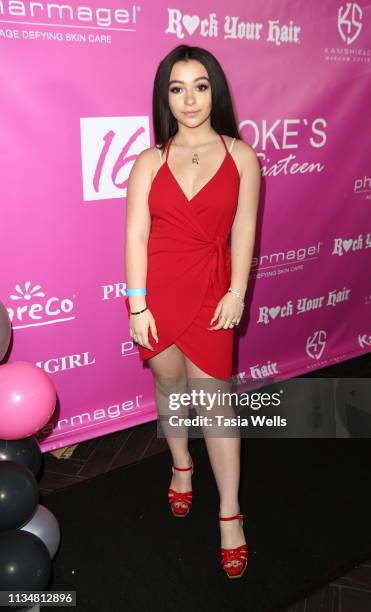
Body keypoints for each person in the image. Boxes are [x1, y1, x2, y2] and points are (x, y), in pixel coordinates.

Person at [124, 44, 260, 579]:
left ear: (215, 90)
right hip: (157, 294)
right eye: (177, 88)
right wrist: (137, 305)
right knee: (169, 387)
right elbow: (136, 235)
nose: (189, 99)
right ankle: (182, 468)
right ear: (165, 97)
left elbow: (245, 229)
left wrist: (236, 292)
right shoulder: (148, 161)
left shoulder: (241, 155)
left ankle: (230, 513)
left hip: (212, 293)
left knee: (217, 405)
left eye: (200, 86)